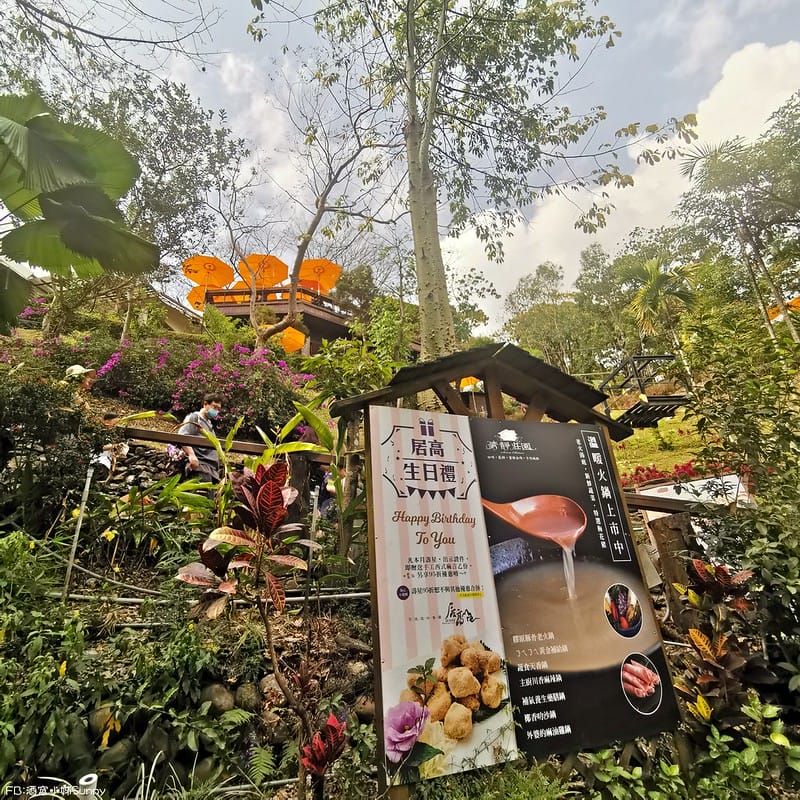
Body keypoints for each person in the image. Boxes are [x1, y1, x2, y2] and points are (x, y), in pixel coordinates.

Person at [178, 393, 223, 482]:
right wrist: (191, 455)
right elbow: (182, 436)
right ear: (205, 404)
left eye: (218, 409)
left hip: (211, 470)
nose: (216, 411)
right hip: (201, 467)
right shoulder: (195, 418)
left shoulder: (209, 424)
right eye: (214, 407)